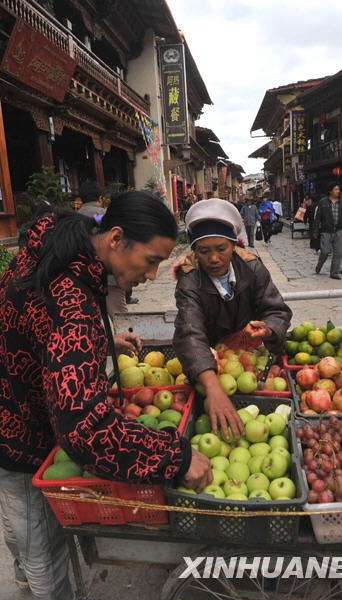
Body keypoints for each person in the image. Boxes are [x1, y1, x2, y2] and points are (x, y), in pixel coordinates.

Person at [0, 192, 211, 599]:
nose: (151, 276)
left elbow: (40, 324)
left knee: (20, 528)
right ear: (115, 238)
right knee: (41, 543)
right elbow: (83, 428)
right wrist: (175, 457)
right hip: (20, 430)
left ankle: (24, 575)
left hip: (15, 394)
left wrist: (99, 342)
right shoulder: (73, 299)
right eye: (151, 261)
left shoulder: (60, 250)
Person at [173, 199, 292, 440]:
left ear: (233, 244)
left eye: (221, 248)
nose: (214, 258)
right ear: (194, 251)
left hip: (251, 353)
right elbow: (190, 331)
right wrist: (212, 384)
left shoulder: (252, 267)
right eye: (204, 251)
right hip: (210, 360)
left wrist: (268, 330)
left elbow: (276, 310)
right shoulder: (190, 279)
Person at [78, 180, 138, 312]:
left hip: (84, 279)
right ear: (100, 198)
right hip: (109, 277)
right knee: (120, 318)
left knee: (92, 320)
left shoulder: (72, 219)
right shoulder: (107, 216)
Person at [314, 182, 342, 280]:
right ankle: (319, 266)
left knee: (338, 252)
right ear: (330, 191)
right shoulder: (323, 202)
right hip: (326, 230)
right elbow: (318, 217)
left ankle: (334, 273)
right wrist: (315, 230)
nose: (338, 191)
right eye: (336, 189)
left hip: (339, 230)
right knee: (325, 251)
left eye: (338, 189)